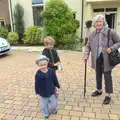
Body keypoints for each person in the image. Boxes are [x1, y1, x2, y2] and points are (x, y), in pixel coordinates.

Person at [83, 14, 120, 104]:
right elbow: (88, 46)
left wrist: (111, 48)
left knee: (107, 76)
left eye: (100, 21)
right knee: (98, 74)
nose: (98, 23)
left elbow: (119, 41)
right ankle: (99, 90)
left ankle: (108, 95)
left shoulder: (110, 32)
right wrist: (85, 55)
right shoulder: (92, 34)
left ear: (103, 22)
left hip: (107, 57)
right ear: (94, 24)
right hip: (97, 57)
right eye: (97, 22)